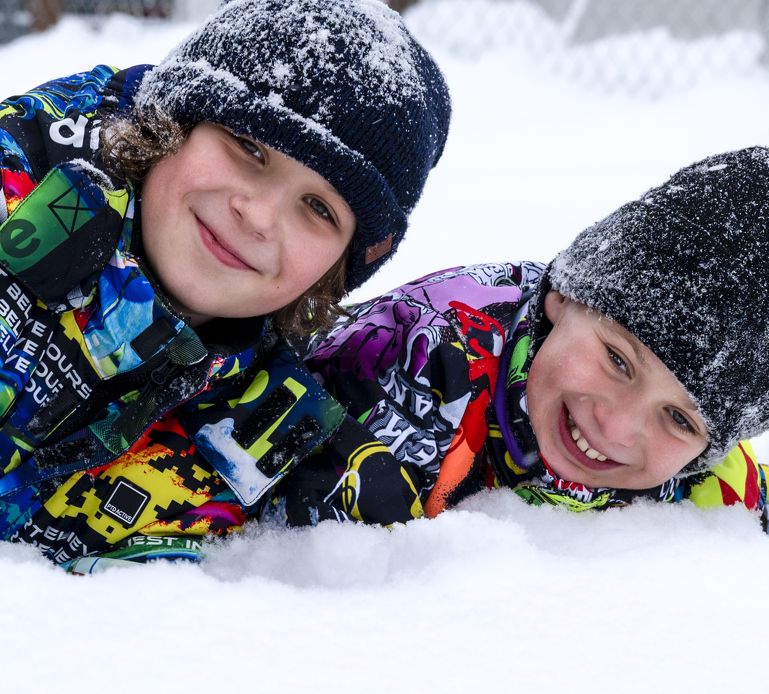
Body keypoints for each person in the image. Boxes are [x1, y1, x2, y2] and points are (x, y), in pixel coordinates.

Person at [277, 146, 769, 576]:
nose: (616, 426)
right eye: (619, 361)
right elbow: (318, 579)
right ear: (562, 300)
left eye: (680, 419)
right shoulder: (415, 366)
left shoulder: (705, 473)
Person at [0, 0, 450, 571]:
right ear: (173, 123)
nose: (259, 216)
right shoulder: (13, 193)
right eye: (249, 147)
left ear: (340, 265)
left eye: (318, 207)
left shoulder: (258, 435)